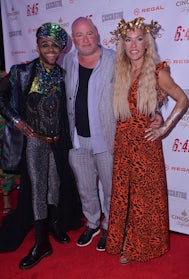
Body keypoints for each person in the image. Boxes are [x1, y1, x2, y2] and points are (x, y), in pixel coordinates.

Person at [63, 17, 163, 252]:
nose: (85, 39)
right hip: (77, 139)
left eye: (89, 33)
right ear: (73, 39)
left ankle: (110, 226)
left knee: (112, 189)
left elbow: (140, 85)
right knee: (85, 188)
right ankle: (92, 222)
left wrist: (155, 112)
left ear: (97, 34)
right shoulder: (67, 61)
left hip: (108, 138)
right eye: (79, 35)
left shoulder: (116, 60)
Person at [105, 17, 189, 264]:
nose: (133, 45)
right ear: (123, 44)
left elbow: (183, 100)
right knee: (124, 194)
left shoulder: (156, 71)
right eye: (128, 40)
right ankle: (124, 240)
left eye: (139, 39)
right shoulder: (121, 71)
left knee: (144, 197)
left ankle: (138, 247)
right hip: (123, 142)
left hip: (145, 144)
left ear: (146, 44)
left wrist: (163, 128)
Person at [0, 22, 82, 269]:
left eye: (55, 46)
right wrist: (17, 121)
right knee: (37, 188)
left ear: (61, 50)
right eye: (45, 45)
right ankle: (40, 242)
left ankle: (54, 224)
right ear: (37, 47)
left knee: (55, 185)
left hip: (58, 142)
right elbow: (1, 99)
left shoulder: (64, 75)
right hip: (34, 141)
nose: (50, 50)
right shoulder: (21, 72)